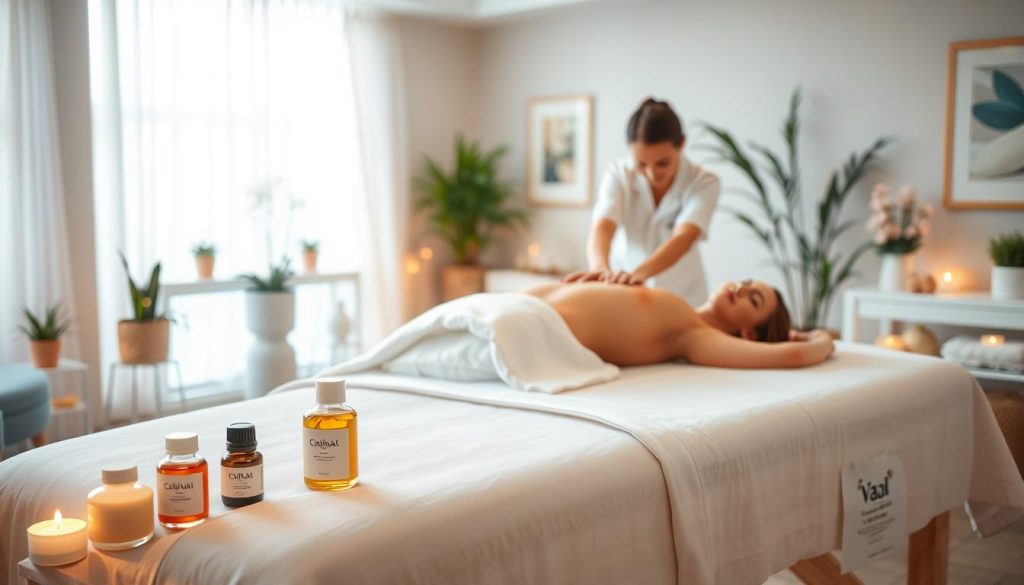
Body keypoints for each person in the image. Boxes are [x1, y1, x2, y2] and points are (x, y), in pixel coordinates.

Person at [564, 98, 720, 306]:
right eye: (642, 164)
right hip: (625, 292)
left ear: (682, 144)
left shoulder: (702, 181)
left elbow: (684, 238)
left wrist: (638, 275)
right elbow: (603, 228)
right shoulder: (619, 175)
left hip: (682, 296)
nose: (652, 173)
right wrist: (600, 270)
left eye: (662, 163)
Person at [525, 279, 834, 369]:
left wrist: (820, 337)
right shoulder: (684, 309)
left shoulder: (695, 336)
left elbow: (794, 356)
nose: (740, 289)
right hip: (512, 304)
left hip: (531, 330)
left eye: (752, 300)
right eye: (745, 282)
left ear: (749, 333)